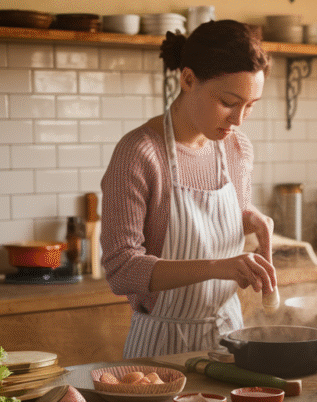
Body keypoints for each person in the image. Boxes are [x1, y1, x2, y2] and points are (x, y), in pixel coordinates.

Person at [101, 20, 278, 358]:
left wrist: (250, 219)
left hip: (229, 340)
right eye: (229, 101)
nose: (239, 119)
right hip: (160, 348)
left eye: (251, 105)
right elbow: (121, 271)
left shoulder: (237, 148)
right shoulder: (139, 154)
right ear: (188, 79)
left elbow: (219, 224)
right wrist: (218, 266)